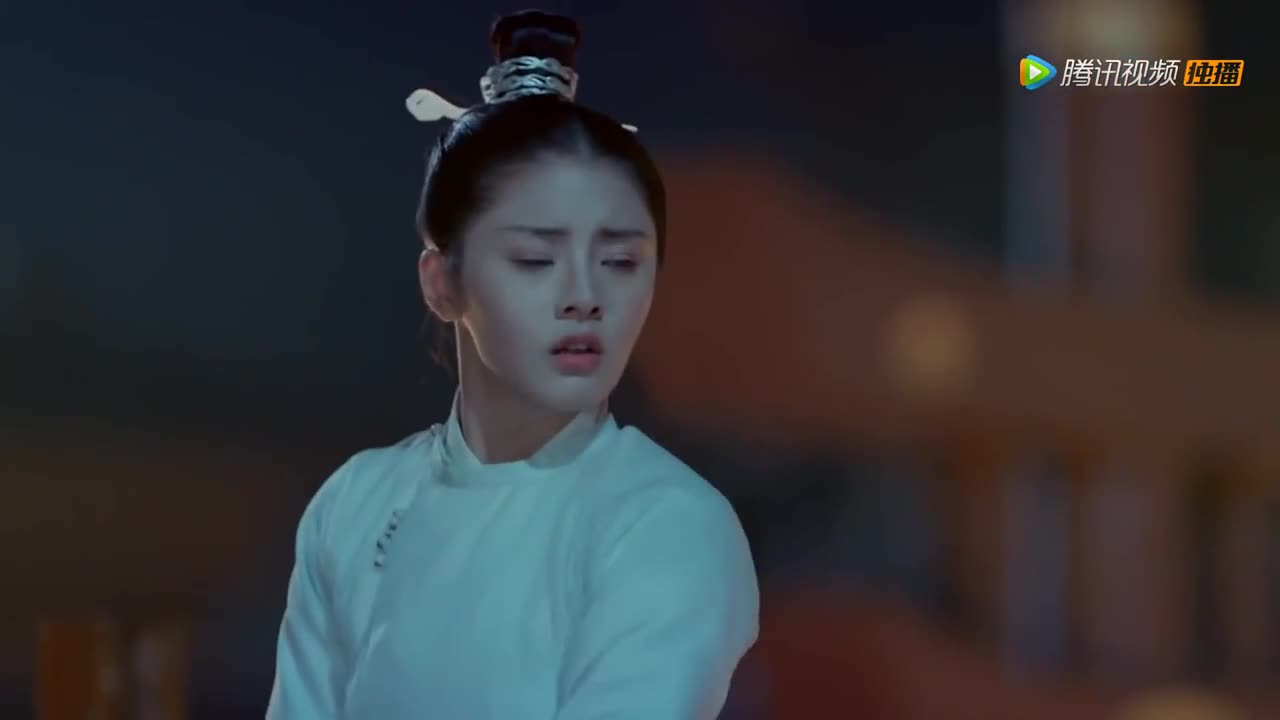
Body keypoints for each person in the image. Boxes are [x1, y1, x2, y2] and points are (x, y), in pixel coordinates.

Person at [266, 10, 759, 719]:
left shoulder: (669, 523)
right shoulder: (355, 502)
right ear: (442, 282)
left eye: (621, 261)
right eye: (535, 259)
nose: (585, 296)